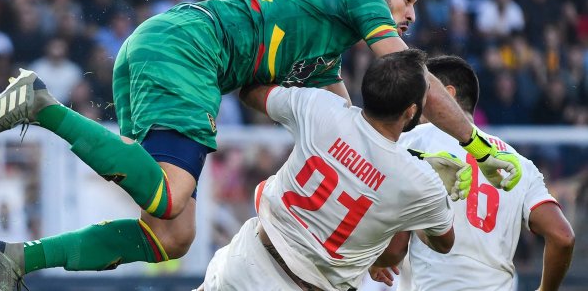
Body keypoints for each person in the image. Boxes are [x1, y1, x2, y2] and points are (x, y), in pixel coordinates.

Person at [0, 0, 520, 291]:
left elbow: (352, 130)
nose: (410, 11)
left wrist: (393, 190)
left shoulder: (326, 43)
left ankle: (15, 260)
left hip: (167, 45)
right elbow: (412, 71)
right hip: (191, 50)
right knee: (171, 193)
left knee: (173, 233)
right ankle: (40, 105)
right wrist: (477, 145)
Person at [200, 49, 466, 291]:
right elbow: (443, 243)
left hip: (243, 263)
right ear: (411, 112)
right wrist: (427, 199)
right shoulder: (420, 181)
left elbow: (252, 93)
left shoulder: (319, 108)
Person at [368, 55, 575, 291]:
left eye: (423, 95)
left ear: (447, 94)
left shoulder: (412, 143)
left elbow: (395, 249)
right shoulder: (519, 164)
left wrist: (376, 258)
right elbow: (563, 237)